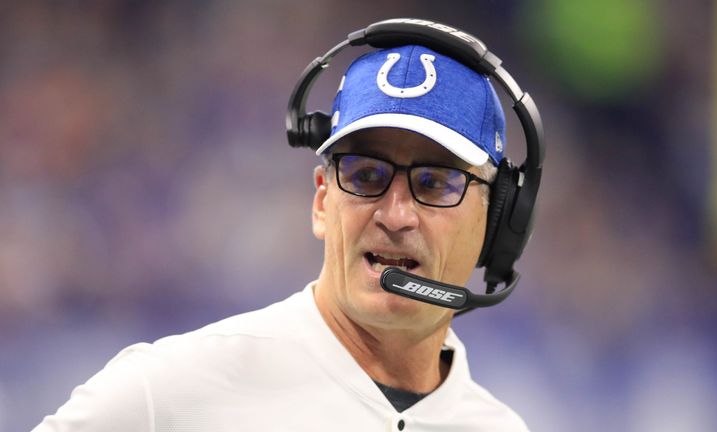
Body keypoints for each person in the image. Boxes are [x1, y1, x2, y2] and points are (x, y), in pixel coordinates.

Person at [34, 22, 534, 432]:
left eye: (435, 182)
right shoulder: (164, 393)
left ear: (496, 220)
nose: (396, 215)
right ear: (322, 202)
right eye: (365, 176)